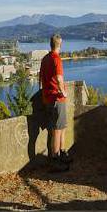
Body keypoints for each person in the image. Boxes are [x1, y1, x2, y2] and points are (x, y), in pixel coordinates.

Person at [39, 33, 72, 172]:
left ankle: (62, 153)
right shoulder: (56, 59)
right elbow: (59, 78)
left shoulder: (45, 58)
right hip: (57, 98)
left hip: (47, 98)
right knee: (57, 131)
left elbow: (40, 78)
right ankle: (55, 159)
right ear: (60, 44)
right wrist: (63, 92)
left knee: (60, 127)